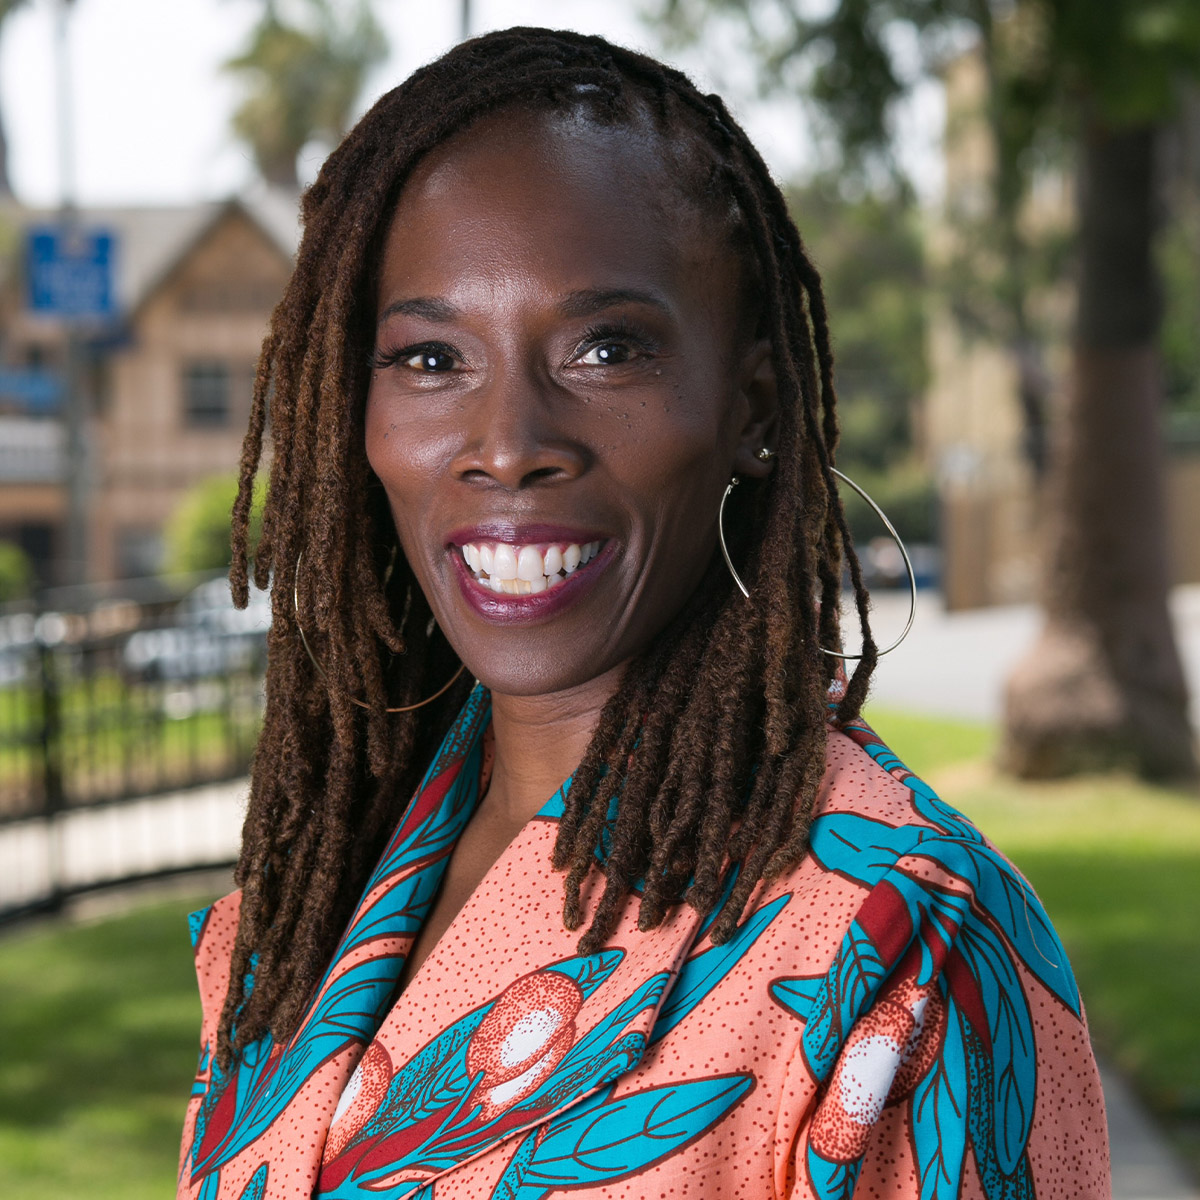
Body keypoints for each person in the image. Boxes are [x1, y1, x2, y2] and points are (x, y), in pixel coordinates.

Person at [177, 27, 1110, 1200]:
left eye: (605, 348)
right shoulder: (303, 907)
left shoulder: (899, 950)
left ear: (754, 405)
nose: (509, 444)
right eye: (428, 359)